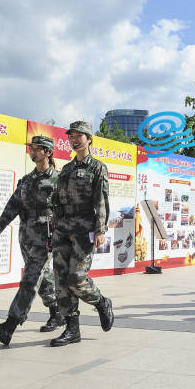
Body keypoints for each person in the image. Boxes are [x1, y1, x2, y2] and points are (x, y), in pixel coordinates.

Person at [0, 135, 63, 345]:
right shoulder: (26, 180)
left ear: (48, 152)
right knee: (42, 277)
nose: (32, 151)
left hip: (47, 240)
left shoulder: (60, 180)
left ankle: (9, 325)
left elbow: (67, 210)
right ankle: (56, 312)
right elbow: (13, 206)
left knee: (30, 280)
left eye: (37, 148)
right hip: (27, 238)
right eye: (31, 148)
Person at [50, 121, 115, 346]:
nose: (74, 139)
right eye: (72, 136)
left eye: (80, 135)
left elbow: (101, 200)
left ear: (89, 139)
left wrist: (100, 229)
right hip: (62, 231)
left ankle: (101, 302)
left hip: (83, 231)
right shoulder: (66, 170)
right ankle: (72, 328)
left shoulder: (97, 167)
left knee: (76, 278)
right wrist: (54, 229)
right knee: (60, 280)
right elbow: (57, 202)